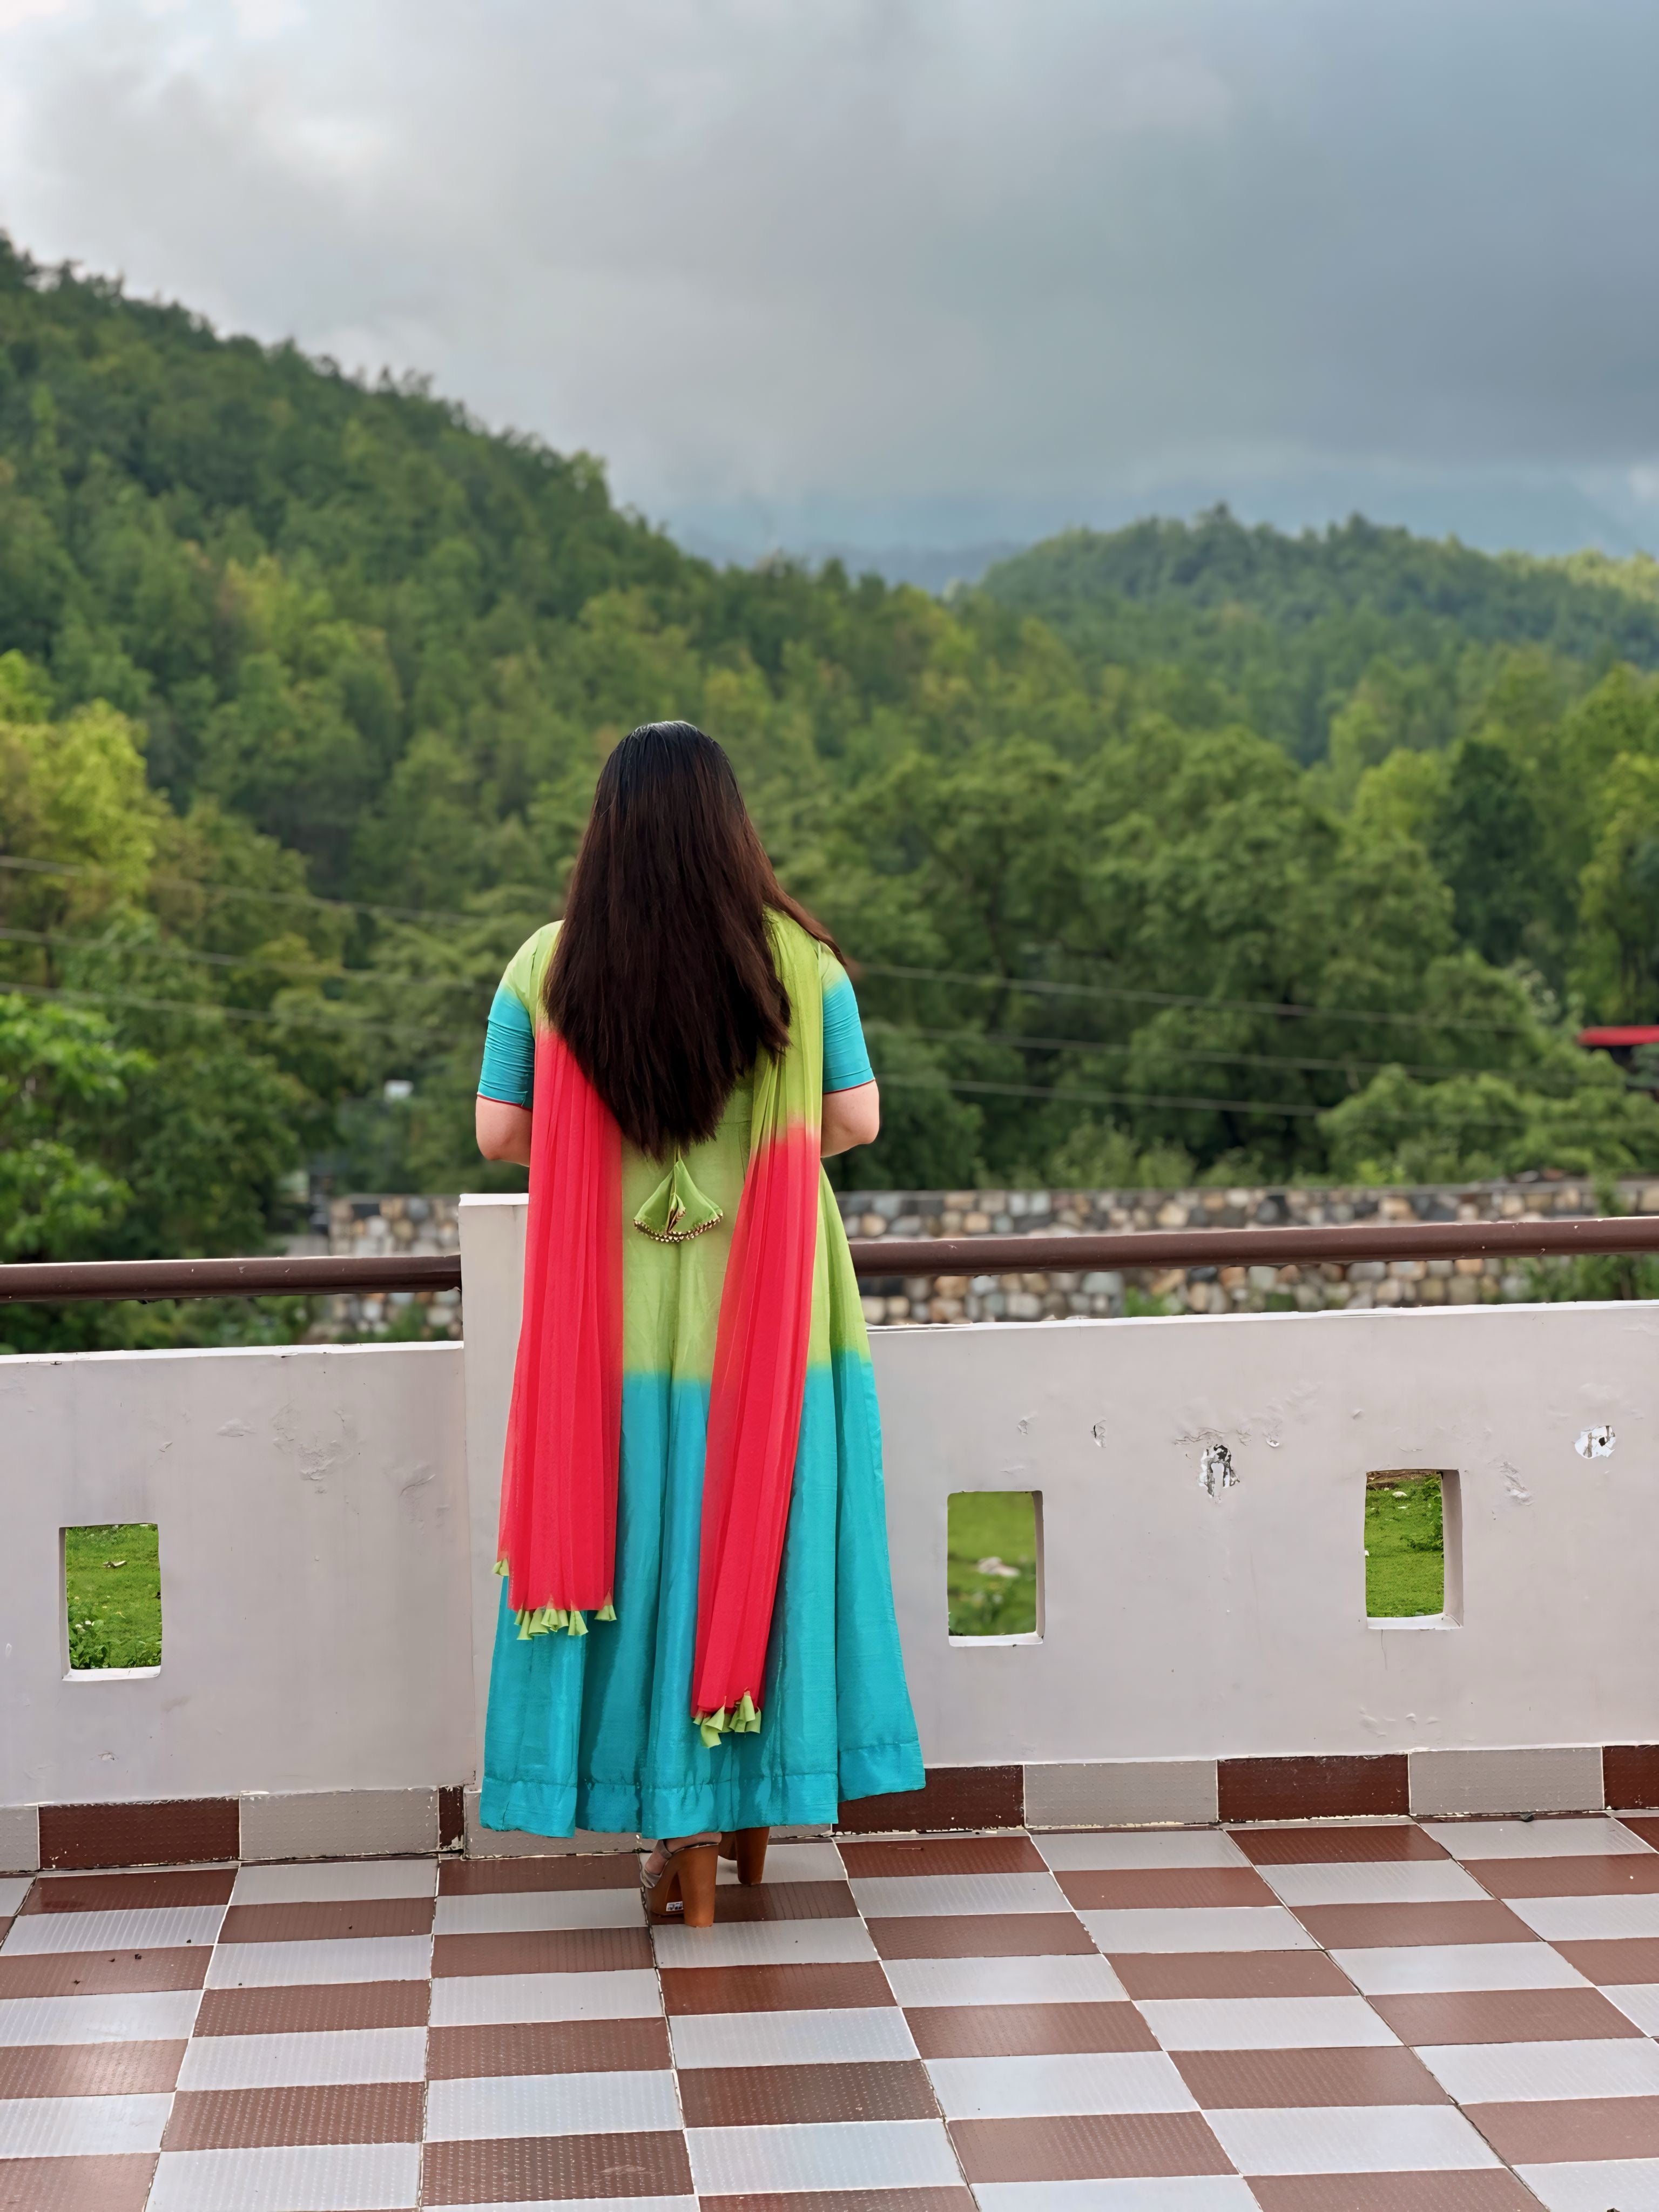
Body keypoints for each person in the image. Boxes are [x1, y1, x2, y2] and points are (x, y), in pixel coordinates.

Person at [474, 720, 923, 1925]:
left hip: (605, 1329)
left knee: (629, 1544)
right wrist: (756, 1153)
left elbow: (499, 1134)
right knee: (761, 1540)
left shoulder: (545, 965)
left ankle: (667, 1824)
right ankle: (747, 1798)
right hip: (772, 1316)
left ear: (604, 831)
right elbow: (858, 1119)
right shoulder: (803, 963)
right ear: (732, 827)